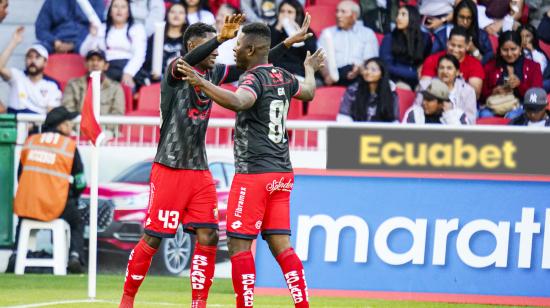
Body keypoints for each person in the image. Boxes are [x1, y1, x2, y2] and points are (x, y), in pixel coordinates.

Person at [118, 15, 312, 308]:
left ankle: (199, 304)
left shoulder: (212, 74)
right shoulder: (177, 71)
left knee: (208, 236)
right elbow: (230, 59)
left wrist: (285, 43)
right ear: (193, 47)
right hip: (169, 168)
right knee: (153, 239)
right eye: (209, 46)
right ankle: (127, 300)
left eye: (217, 45)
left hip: (199, 171)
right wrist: (221, 37)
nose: (216, 52)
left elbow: (253, 63)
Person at [178, 22, 325, 308]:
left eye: (237, 45)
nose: (233, 50)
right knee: (281, 245)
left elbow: (239, 101)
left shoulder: (252, 79)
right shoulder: (282, 75)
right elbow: (308, 92)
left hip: (254, 174)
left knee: (238, 245)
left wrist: (202, 83)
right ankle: (303, 304)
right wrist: (309, 68)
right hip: (282, 174)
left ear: (250, 49)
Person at [13, 106, 86, 273]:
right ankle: (74, 257)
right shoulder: (68, 146)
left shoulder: (30, 141)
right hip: (55, 205)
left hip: (27, 205)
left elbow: (20, 176)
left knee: (22, 224)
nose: (71, 127)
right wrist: (73, 195)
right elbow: (81, 182)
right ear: (60, 126)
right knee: (77, 220)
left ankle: (16, 256)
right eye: (68, 123)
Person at [80, 0, 148, 90]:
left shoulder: (137, 29)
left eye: (123, 7)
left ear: (128, 13)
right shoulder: (101, 28)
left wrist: (128, 73)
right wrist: (92, 36)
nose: (119, 10)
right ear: (110, 11)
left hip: (129, 67)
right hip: (106, 68)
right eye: (115, 6)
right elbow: (83, 52)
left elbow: (139, 55)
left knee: (129, 87)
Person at [480, 30, 543, 118]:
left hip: (521, 106)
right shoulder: (490, 66)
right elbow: (481, 95)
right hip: (495, 104)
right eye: (505, 50)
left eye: (513, 49)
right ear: (499, 49)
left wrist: (519, 85)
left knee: (513, 116)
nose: (509, 54)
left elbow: (536, 96)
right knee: (484, 115)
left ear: (520, 47)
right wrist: (494, 91)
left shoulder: (534, 67)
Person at [0, 27, 61, 115]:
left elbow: (51, 114)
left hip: (39, 126)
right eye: (29, 57)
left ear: (45, 62)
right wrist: (14, 42)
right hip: (15, 125)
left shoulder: (52, 85)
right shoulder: (17, 76)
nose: (32, 61)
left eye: (37, 57)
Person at [318, 0, 378, 86]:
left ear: (354, 16)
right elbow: (321, 58)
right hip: (333, 75)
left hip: (359, 76)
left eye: (343, 12)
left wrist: (358, 69)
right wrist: (327, 75)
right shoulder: (327, 33)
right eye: (337, 11)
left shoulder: (367, 34)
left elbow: (370, 60)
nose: (338, 15)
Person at [420, 26, 485, 98]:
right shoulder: (432, 59)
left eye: (460, 46)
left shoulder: (475, 64)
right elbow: (424, 86)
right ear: (447, 42)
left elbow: (475, 94)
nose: (455, 50)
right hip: (434, 100)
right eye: (452, 45)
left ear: (467, 46)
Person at [380, 5, 431, 90]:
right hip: (395, 78)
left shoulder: (425, 38)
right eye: (398, 14)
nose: (398, 18)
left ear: (413, 18)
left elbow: (427, 61)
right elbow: (386, 65)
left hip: (418, 79)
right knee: (403, 87)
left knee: (425, 89)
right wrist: (413, 74)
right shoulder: (390, 38)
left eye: (403, 14)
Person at [63, 49, 125, 117]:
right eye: (92, 60)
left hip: (104, 127)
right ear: (86, 64)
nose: (95, 63)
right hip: (78, 126)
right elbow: (67, 110)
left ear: (106, 66)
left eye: (99, 60)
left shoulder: (115, 87)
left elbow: (117, 114)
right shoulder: (73, 84)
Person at [417, 54, 477, 124]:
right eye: (441, 68)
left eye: (449, 68)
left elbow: (470, 121)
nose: (445, 71)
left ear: (457, 72)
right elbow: (417, 110)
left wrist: (451, 113)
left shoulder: (467, 91)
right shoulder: (426, 86)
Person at [432, 0, 494, 65]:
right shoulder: (442, 35)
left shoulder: (481, 35)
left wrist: (474, 51)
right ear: (455, 16)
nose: (465, 22)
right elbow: (433, 59)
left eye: (469, 18)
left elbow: (489, 63)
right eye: (461, 17)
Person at [338, 58, 398, 122]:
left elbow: (393, 120)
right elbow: (344, 116)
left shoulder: (391, 93)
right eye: (366, 68)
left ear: (382, 74)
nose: (368, 72)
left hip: (382, 130)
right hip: (356, 129)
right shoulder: (353, 90)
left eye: (373, 70)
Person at [35, 0, 105, 54]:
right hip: (55, 43)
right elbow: (41, 29)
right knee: (35, 53)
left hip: (84, 42)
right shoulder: (52, 1)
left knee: (97, 52)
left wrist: (73, 45)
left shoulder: (96, 1)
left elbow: (100, 27)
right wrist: (54, 41)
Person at [270, 0, 317, 79]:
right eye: (282, 11)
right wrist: (278, 27)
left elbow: (310, 53)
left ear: (297, 14)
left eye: (290, 12)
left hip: (297, 72)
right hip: (275, 72)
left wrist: (300, 35)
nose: (285, 15)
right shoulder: (271, 30)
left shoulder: (307, 31)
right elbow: (268, 50)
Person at [144, 3, 188, 81]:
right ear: (167, 15)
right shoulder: (155, 36)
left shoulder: (189, 39)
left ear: (185, 18)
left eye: (181, 13)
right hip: (156, 81)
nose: (176, 15)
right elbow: (147, 61)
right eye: (172, 12)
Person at [403, 78, 469, 124]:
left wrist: (449, 115)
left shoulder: (458, 115)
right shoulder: (415, 112)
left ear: (442, 103)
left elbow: (465, 139)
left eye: (429, 100)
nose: (424, 102)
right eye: (424, 98)